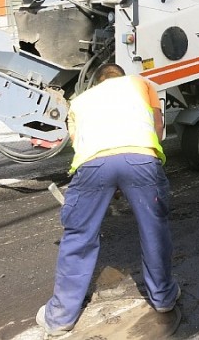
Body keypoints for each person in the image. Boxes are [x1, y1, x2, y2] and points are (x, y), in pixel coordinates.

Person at [36, 63, 179, 335]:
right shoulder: (141, 85)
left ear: (98, 82)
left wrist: (107, 179)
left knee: (78, 236)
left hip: (92, 165)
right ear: (120, 78)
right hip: (141, 159)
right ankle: (162, 298)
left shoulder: (79, 101)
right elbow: (158, 127)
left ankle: (60, 318)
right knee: (154, 230)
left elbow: (79, 143)